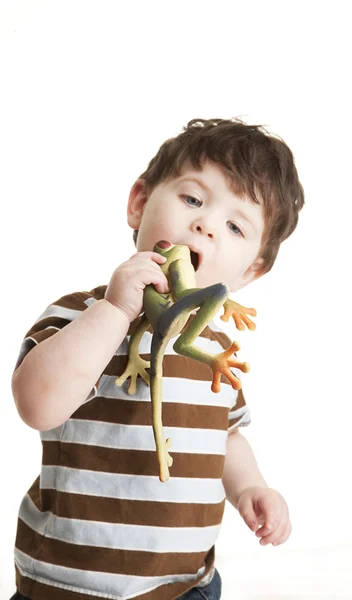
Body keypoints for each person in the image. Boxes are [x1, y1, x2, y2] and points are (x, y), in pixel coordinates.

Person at [10, 117, 305, 600]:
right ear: (140, 203)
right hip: (69, 583)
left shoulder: (212, 349)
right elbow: (36, 405)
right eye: (193, 199)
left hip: (186, 585)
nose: (206, 225)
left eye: (234, 226)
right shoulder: (80, 316)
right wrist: (117, 309)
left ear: (251, 269)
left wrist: (251, 487)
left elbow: (225, 436)